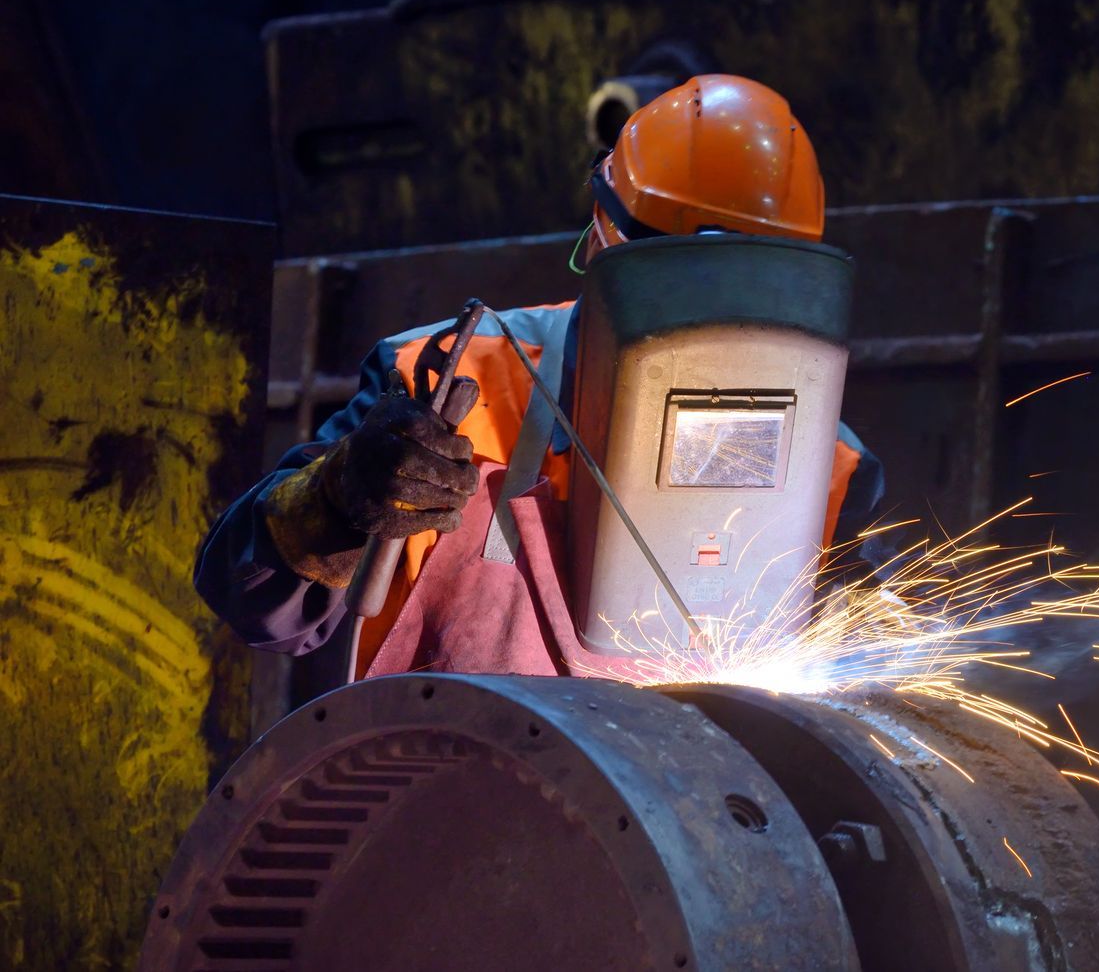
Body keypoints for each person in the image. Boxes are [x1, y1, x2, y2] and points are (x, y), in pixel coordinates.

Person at [194, 74, 883, 679]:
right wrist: (340, 496)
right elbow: (251, 604)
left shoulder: (831, 467)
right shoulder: (448, 380)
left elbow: (876, 680)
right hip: (444, 801)